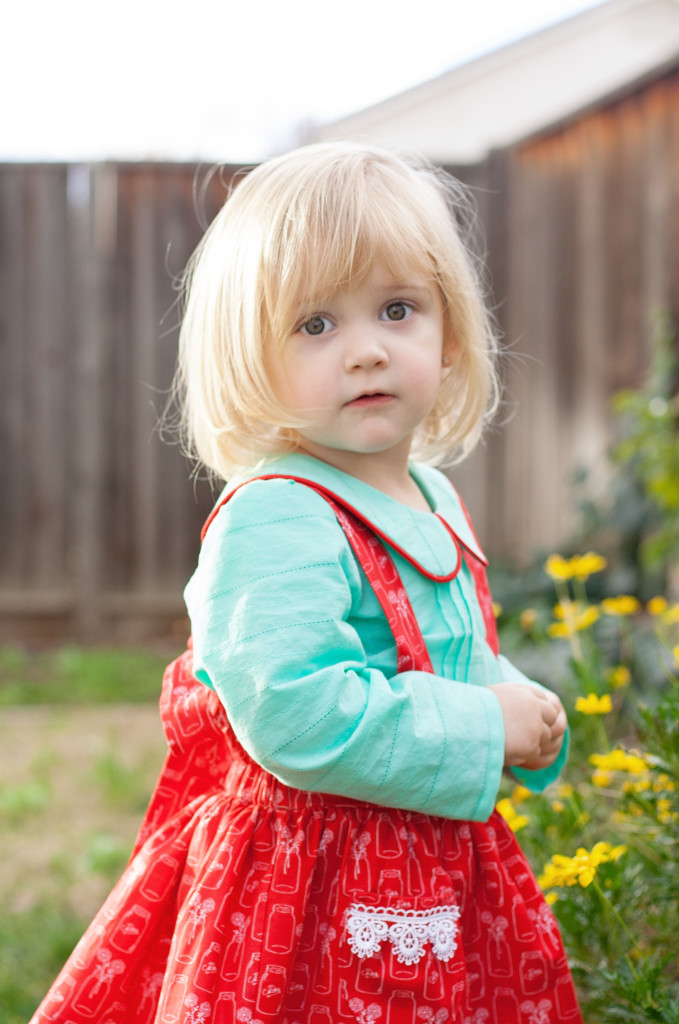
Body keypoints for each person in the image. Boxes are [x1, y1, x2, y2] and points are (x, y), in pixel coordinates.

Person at [31, 142, 582, 1024]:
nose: (365, 351)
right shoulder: (279, 514)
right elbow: (293, 709)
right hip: (310, 886)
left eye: (396, 309)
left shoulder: (430, 496)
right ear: (251, 358)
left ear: (448, 337)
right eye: (316, 325)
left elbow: (451, 650)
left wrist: (515, 703)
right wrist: (483, 727)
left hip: (431, 863)